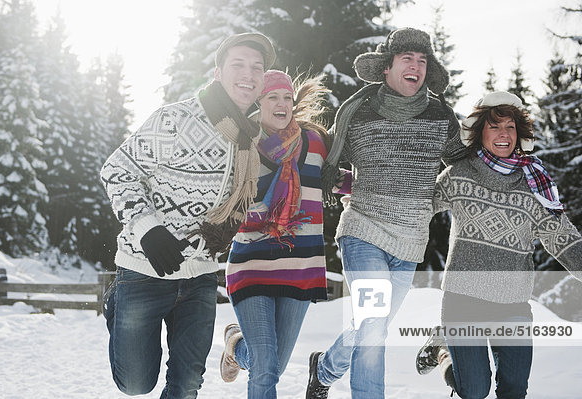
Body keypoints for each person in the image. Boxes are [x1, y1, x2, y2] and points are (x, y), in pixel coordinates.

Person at [99, 32, 275, 399]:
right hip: (144, 269)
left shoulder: (251, 139)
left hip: (200, 277)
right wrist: (148, 229)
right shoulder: (175, 119)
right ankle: (115, 301)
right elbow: (117, 170)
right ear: (217, 73)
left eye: (257, 68)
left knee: (187, 384)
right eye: (238, 65)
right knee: (135, 384)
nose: (248, 74)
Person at [305, 27, 468, 399]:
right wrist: (343, 184)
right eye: (407, 59)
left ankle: (325, 369)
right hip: (363, 231)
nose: (416, 67)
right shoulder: (359, 113)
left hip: (410, 243)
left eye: (422, 61)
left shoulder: (442, 117)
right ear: (387, 68)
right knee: (374, 325)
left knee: (369, 326)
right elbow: (324, 162)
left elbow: (464, 168)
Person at [415, 91, 582, 398]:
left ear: (520, 135)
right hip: (462, 300)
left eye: (510, 127)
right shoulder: (460, 174)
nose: (504, 134)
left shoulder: (534, 185)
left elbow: (564, 239)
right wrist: (370, 198)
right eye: (495, 126)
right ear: (480, 132)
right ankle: (443, 350)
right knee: (474, 389)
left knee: (514, 389)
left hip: (512, 304)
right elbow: (418, 204)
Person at [218, 69, 351, 399]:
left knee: (273, 366)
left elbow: (339, 180)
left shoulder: (316, 143)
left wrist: (374, 189)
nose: (281, 104)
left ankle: (236, 345)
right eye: (273, 97)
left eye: (287, 98)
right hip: (250, 263)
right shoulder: (241, 143)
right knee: (264, 368)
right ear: (258, 101)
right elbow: (221, 197)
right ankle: (242, 346)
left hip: (300, 268)